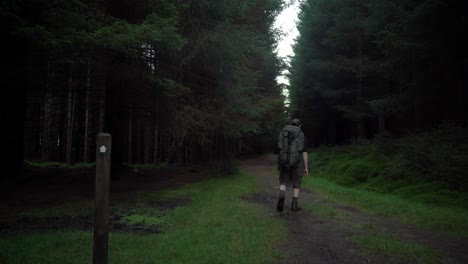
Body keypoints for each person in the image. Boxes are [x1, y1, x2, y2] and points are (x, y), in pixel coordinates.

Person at [276, 118, 308, 212]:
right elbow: (304, 152)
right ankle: (294, 205)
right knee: (296, 182)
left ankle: (282, 196)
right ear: (300, 126)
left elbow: (278, 147)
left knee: (283, 181)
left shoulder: (284, 133)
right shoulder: (301, 135)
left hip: (284, 161)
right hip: (297, 163)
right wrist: (306, 167)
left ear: (291, 124)